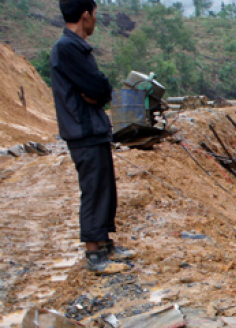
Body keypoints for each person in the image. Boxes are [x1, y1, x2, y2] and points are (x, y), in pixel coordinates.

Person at [50, 0, 134, 274]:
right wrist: (99, 92)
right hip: (82, 129)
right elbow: (96, 86)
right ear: (85, 15)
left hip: (93, 128)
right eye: (95, 14)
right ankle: (94, 254)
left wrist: (100, 92)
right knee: (93, 190)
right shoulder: (67, 49)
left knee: (105, 188)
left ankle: (104, 242)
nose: (95, 20)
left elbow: (100, 89)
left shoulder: (78, 48)